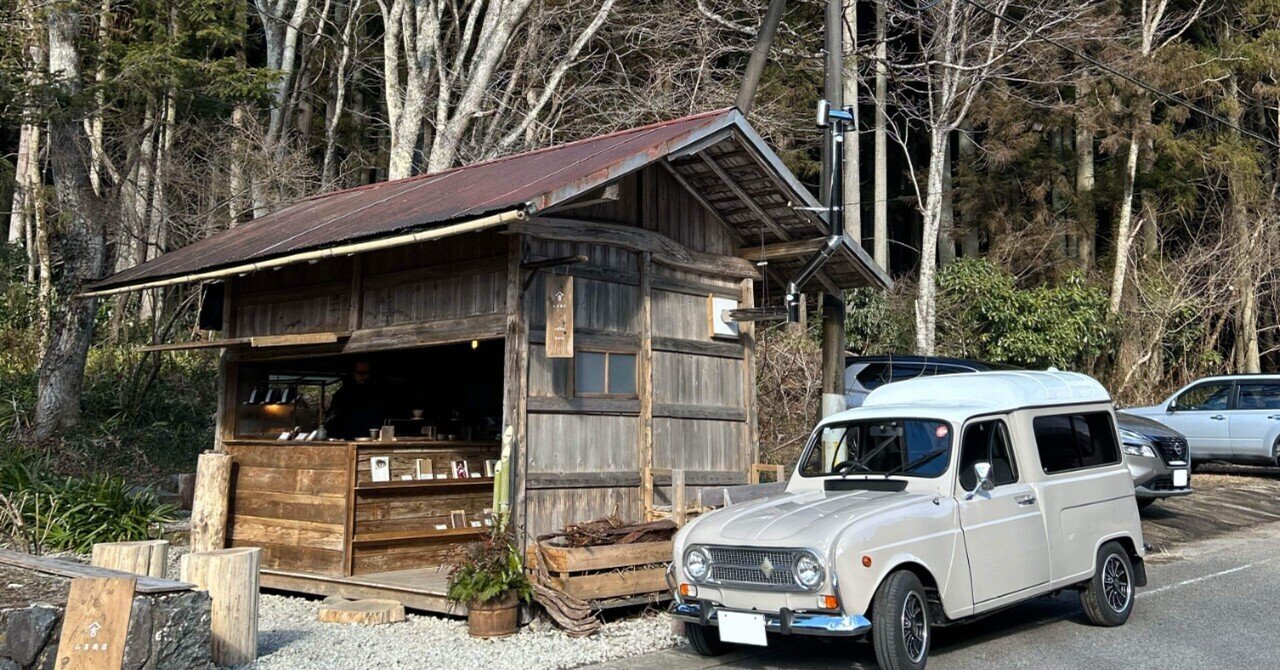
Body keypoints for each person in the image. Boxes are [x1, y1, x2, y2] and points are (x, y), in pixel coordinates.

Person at [325, 361, 388, 439]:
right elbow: (334, 417)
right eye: (361, 373)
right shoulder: (342, 394)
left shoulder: (376, 393)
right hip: (347, 437)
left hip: (370, 437)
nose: (365, 376)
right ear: (353, 373)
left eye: (368, 373)